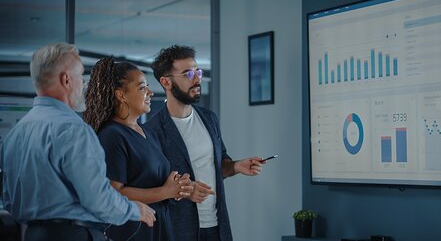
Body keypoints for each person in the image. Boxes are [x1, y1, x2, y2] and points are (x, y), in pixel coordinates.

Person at [0, 43, 156, 241]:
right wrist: (135, 210)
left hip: (32, 234)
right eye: (80, 75)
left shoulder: (16, 133)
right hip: (74, 234)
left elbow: (8, 200)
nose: (83, 84)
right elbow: (97, 199)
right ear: (66, 80)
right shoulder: (73, 129)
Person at [143, 45, 264, 241]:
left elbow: (218, 165)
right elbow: (154, 186)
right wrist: (185, 190)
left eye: (197, 72)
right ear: (166, 82)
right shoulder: (152, 131)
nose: (197, 78)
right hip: (179, 230)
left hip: (217, 226)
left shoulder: (209, 118)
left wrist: (236, 166)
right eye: (188, 74)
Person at [82, 58, 194, 240]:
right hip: (133, 231)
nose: (150, 92)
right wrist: (166, 191)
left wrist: (178, 186)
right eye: (142, 88)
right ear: (121, 95)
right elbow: (113, 193)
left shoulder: (145, 132)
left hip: (159, 227)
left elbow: (150, 181)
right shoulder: (111, 136)